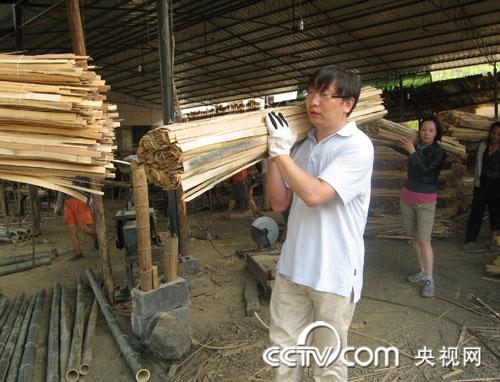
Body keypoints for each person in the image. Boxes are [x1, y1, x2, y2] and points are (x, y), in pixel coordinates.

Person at [265, 65, 374, 380]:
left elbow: (314, 194)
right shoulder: (302, 145)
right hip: (292, 270)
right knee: (284, 353)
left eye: (325, 95)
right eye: (311, 92)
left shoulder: (357, 146)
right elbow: (279, 202)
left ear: (347, 104)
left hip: (334, 275)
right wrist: (276, 155)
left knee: (327, 365)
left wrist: (282, 154)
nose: (313, 101)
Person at [396, 117, 446, 298]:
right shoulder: (416, 147)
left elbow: (426, 172)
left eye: (431, 130)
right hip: (407, 196)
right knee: (414, 239)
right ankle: (422, 270)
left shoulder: (439, 152)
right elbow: (398, 146)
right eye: (424, 129)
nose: (426, 133)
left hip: (425, 201)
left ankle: (430, 280)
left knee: (424, 240)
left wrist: (412, 152)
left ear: (436, 133)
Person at [463, 122, 500, 251]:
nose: (495, 136)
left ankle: (494, 240)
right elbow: (467, 145)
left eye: (498, 134)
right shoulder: (483, 145)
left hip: (497, 185)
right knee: (476, 212)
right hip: (482, 183)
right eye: (493, 132)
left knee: (495, 211)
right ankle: (470, 240)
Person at [64, 196, 98, 260]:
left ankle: (95, 235)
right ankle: (78, 253)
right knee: (72, 230)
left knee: (84, 228)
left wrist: (91, 200)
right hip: (68, 201)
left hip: (80, 199)